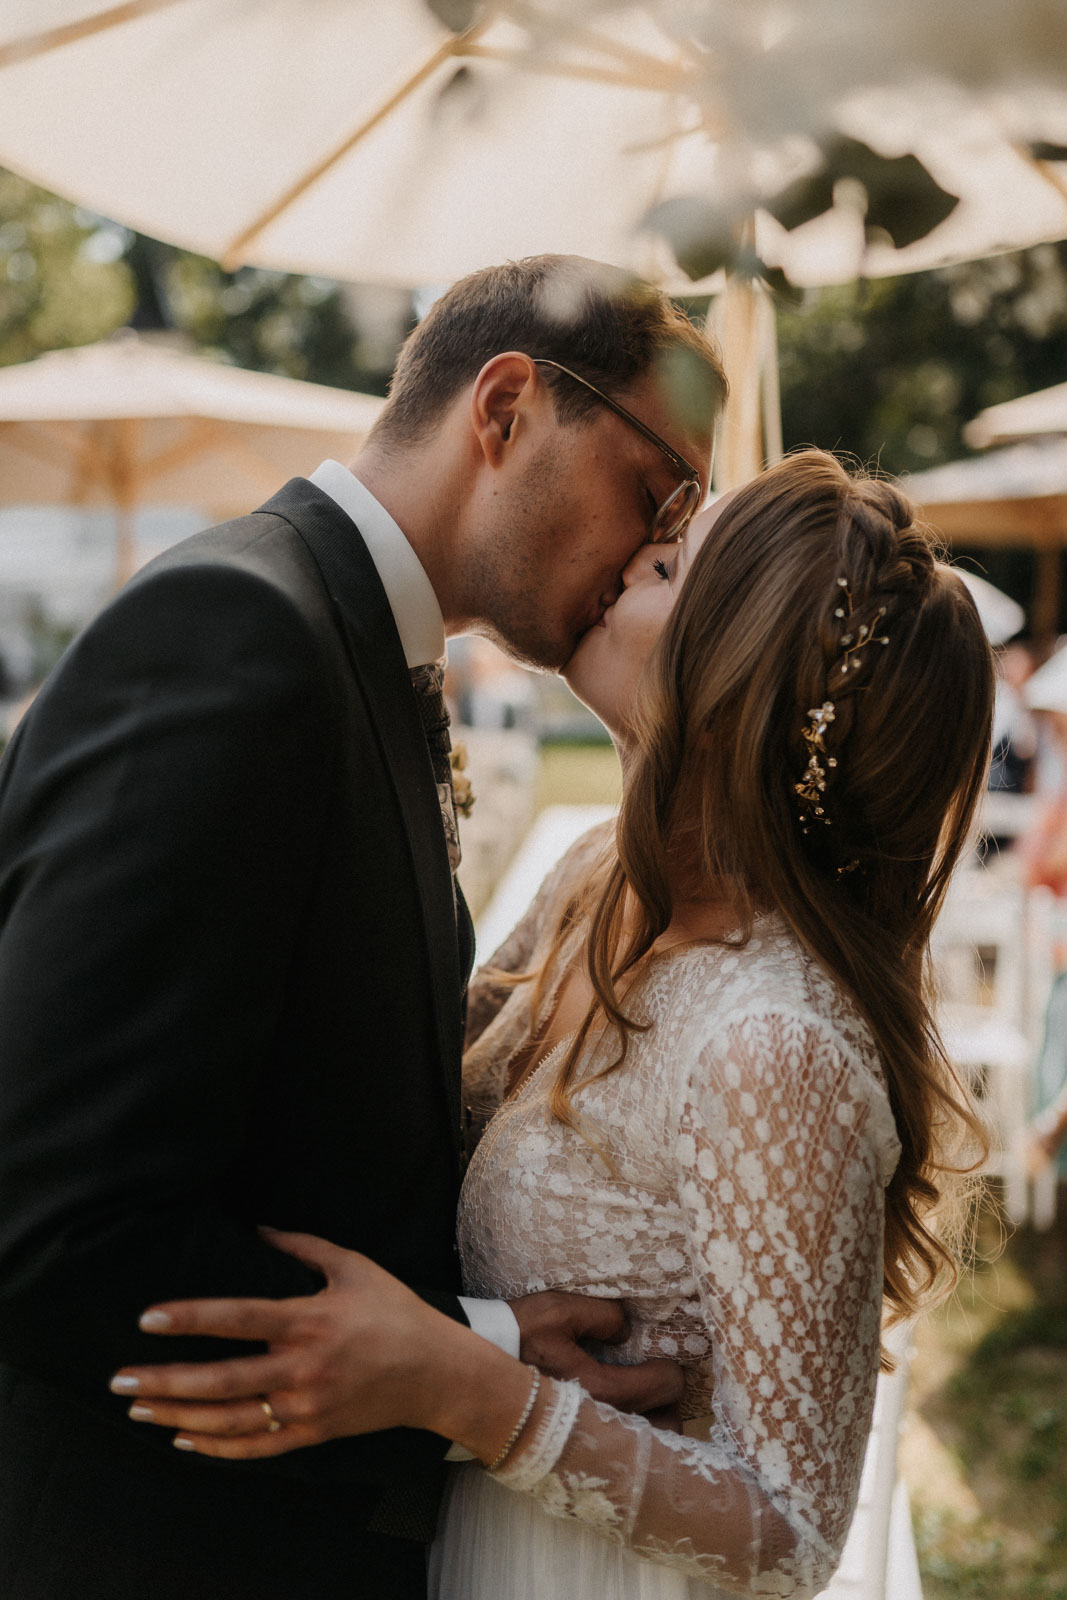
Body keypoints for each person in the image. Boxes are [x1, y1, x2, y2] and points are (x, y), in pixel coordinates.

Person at [116, 452, 994, 1599]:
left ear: (731, 690)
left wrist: (459, 1385)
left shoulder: (770, 1045)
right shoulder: (597, 883)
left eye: (669, 563)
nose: (626, 559)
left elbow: (789, 1532)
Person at [0, 255, 726, 1600]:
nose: (653, 550)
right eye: (657, 489)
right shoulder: (232, 634)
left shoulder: (359, 659)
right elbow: (60, 1225)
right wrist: (476, 1354)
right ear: (504, 409)